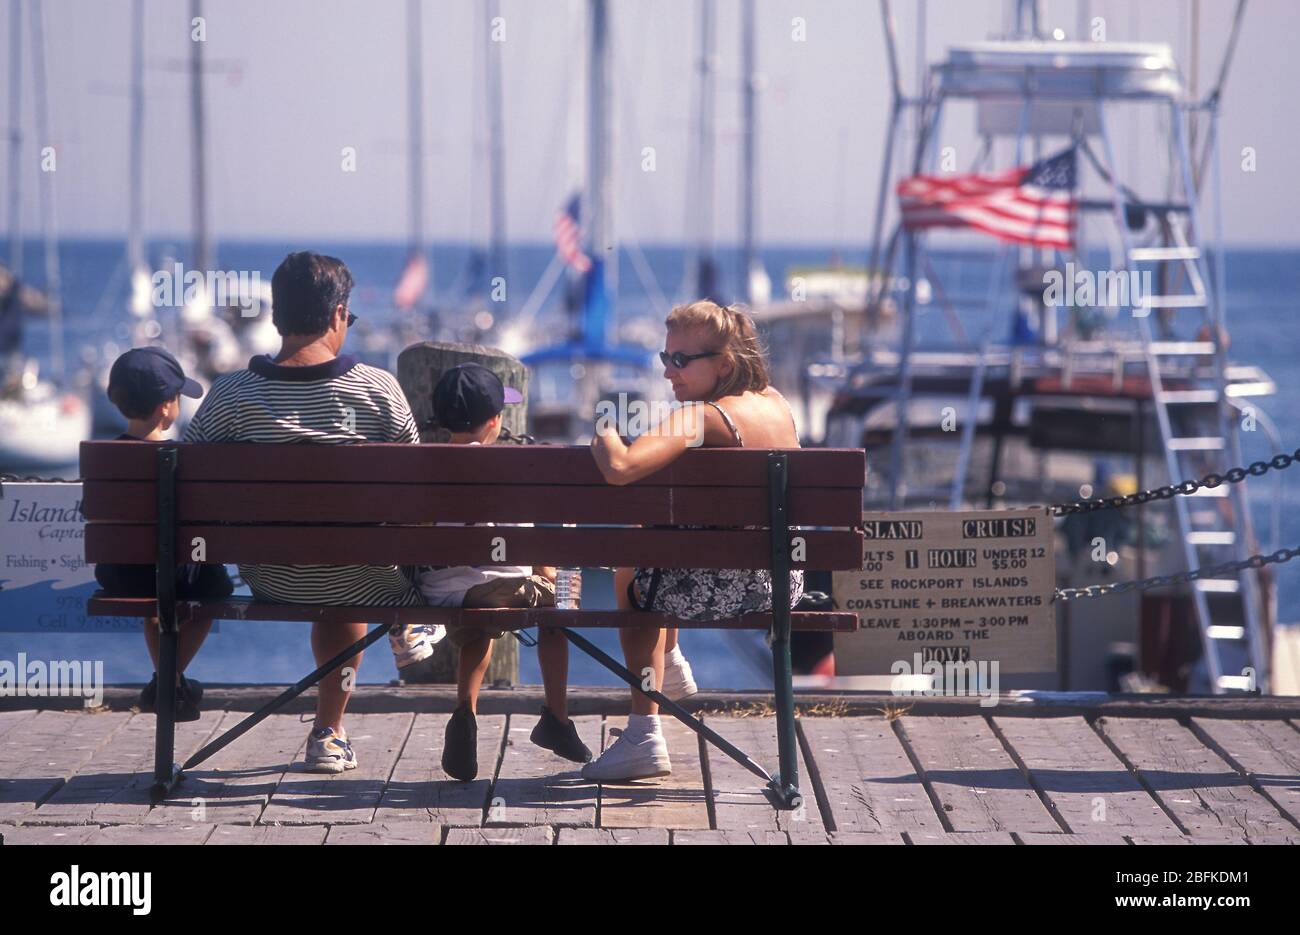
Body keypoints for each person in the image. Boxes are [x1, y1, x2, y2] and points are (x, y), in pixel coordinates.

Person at [183, 251, 442, 773]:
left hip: (270, 576)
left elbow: (185, 486)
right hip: (367, 581)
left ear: (277, 317)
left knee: (334, 557)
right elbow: (417, 502)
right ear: (338, 316)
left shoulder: (230, 394)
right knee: (352, 567)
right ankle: (331, 728)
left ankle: (332, 725)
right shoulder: (377, 390)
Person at [582, 300, 804, 782]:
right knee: (651, 547)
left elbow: (621, 468)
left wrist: (603, 433)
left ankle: (643, 733)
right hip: (782, 582)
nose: (668, 373)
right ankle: (672, 666)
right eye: (665, 358)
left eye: (681, 360)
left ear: (724, 363)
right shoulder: (778, 403)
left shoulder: (703, 418)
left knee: (633, 572)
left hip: (724, 588)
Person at [418, 363, 592, 781]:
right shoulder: (519, 466)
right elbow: (541, 547)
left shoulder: (422, 466)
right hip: (501, 588)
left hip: (439, 589)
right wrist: (549, 573)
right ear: (496, 420)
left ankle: (466, 710)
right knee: (559, 593)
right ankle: (557, 717)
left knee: (479, 613)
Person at [93, 346, 235, 720]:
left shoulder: (104, 457)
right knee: (215, 586)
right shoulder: (180, 457)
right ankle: (167, 682)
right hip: (170, 576)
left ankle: (168, 685)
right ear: (165, 408)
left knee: (155, 599)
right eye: (177, 397)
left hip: (119, 575)